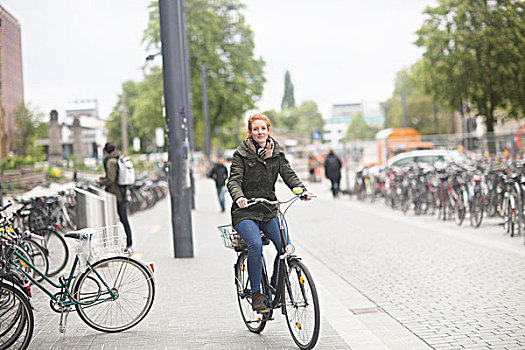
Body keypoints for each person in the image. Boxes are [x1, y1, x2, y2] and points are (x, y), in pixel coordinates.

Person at [227, 113, 311, 312]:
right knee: (255, 245)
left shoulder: (276, 152)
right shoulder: (241, 154)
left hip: (268, 208)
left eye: (263, 128)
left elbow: (288, 174)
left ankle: (275, 286)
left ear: (268, 130)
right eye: (255, 129)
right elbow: (234, 180)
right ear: (250, 132)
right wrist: (239, 197)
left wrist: (301, 191)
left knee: (285, 246)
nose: (260, 132)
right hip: (245, 211)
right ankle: (256, 294)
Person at [96, 142, 133, 252]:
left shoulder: (111, 162)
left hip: (115, 195)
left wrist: (100, 181)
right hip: (122, 193)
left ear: (106, 151)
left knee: (120, 219)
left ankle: (127, 243)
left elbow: (111, 179)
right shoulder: (118, 159)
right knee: (123, 219)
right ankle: (128, 243)